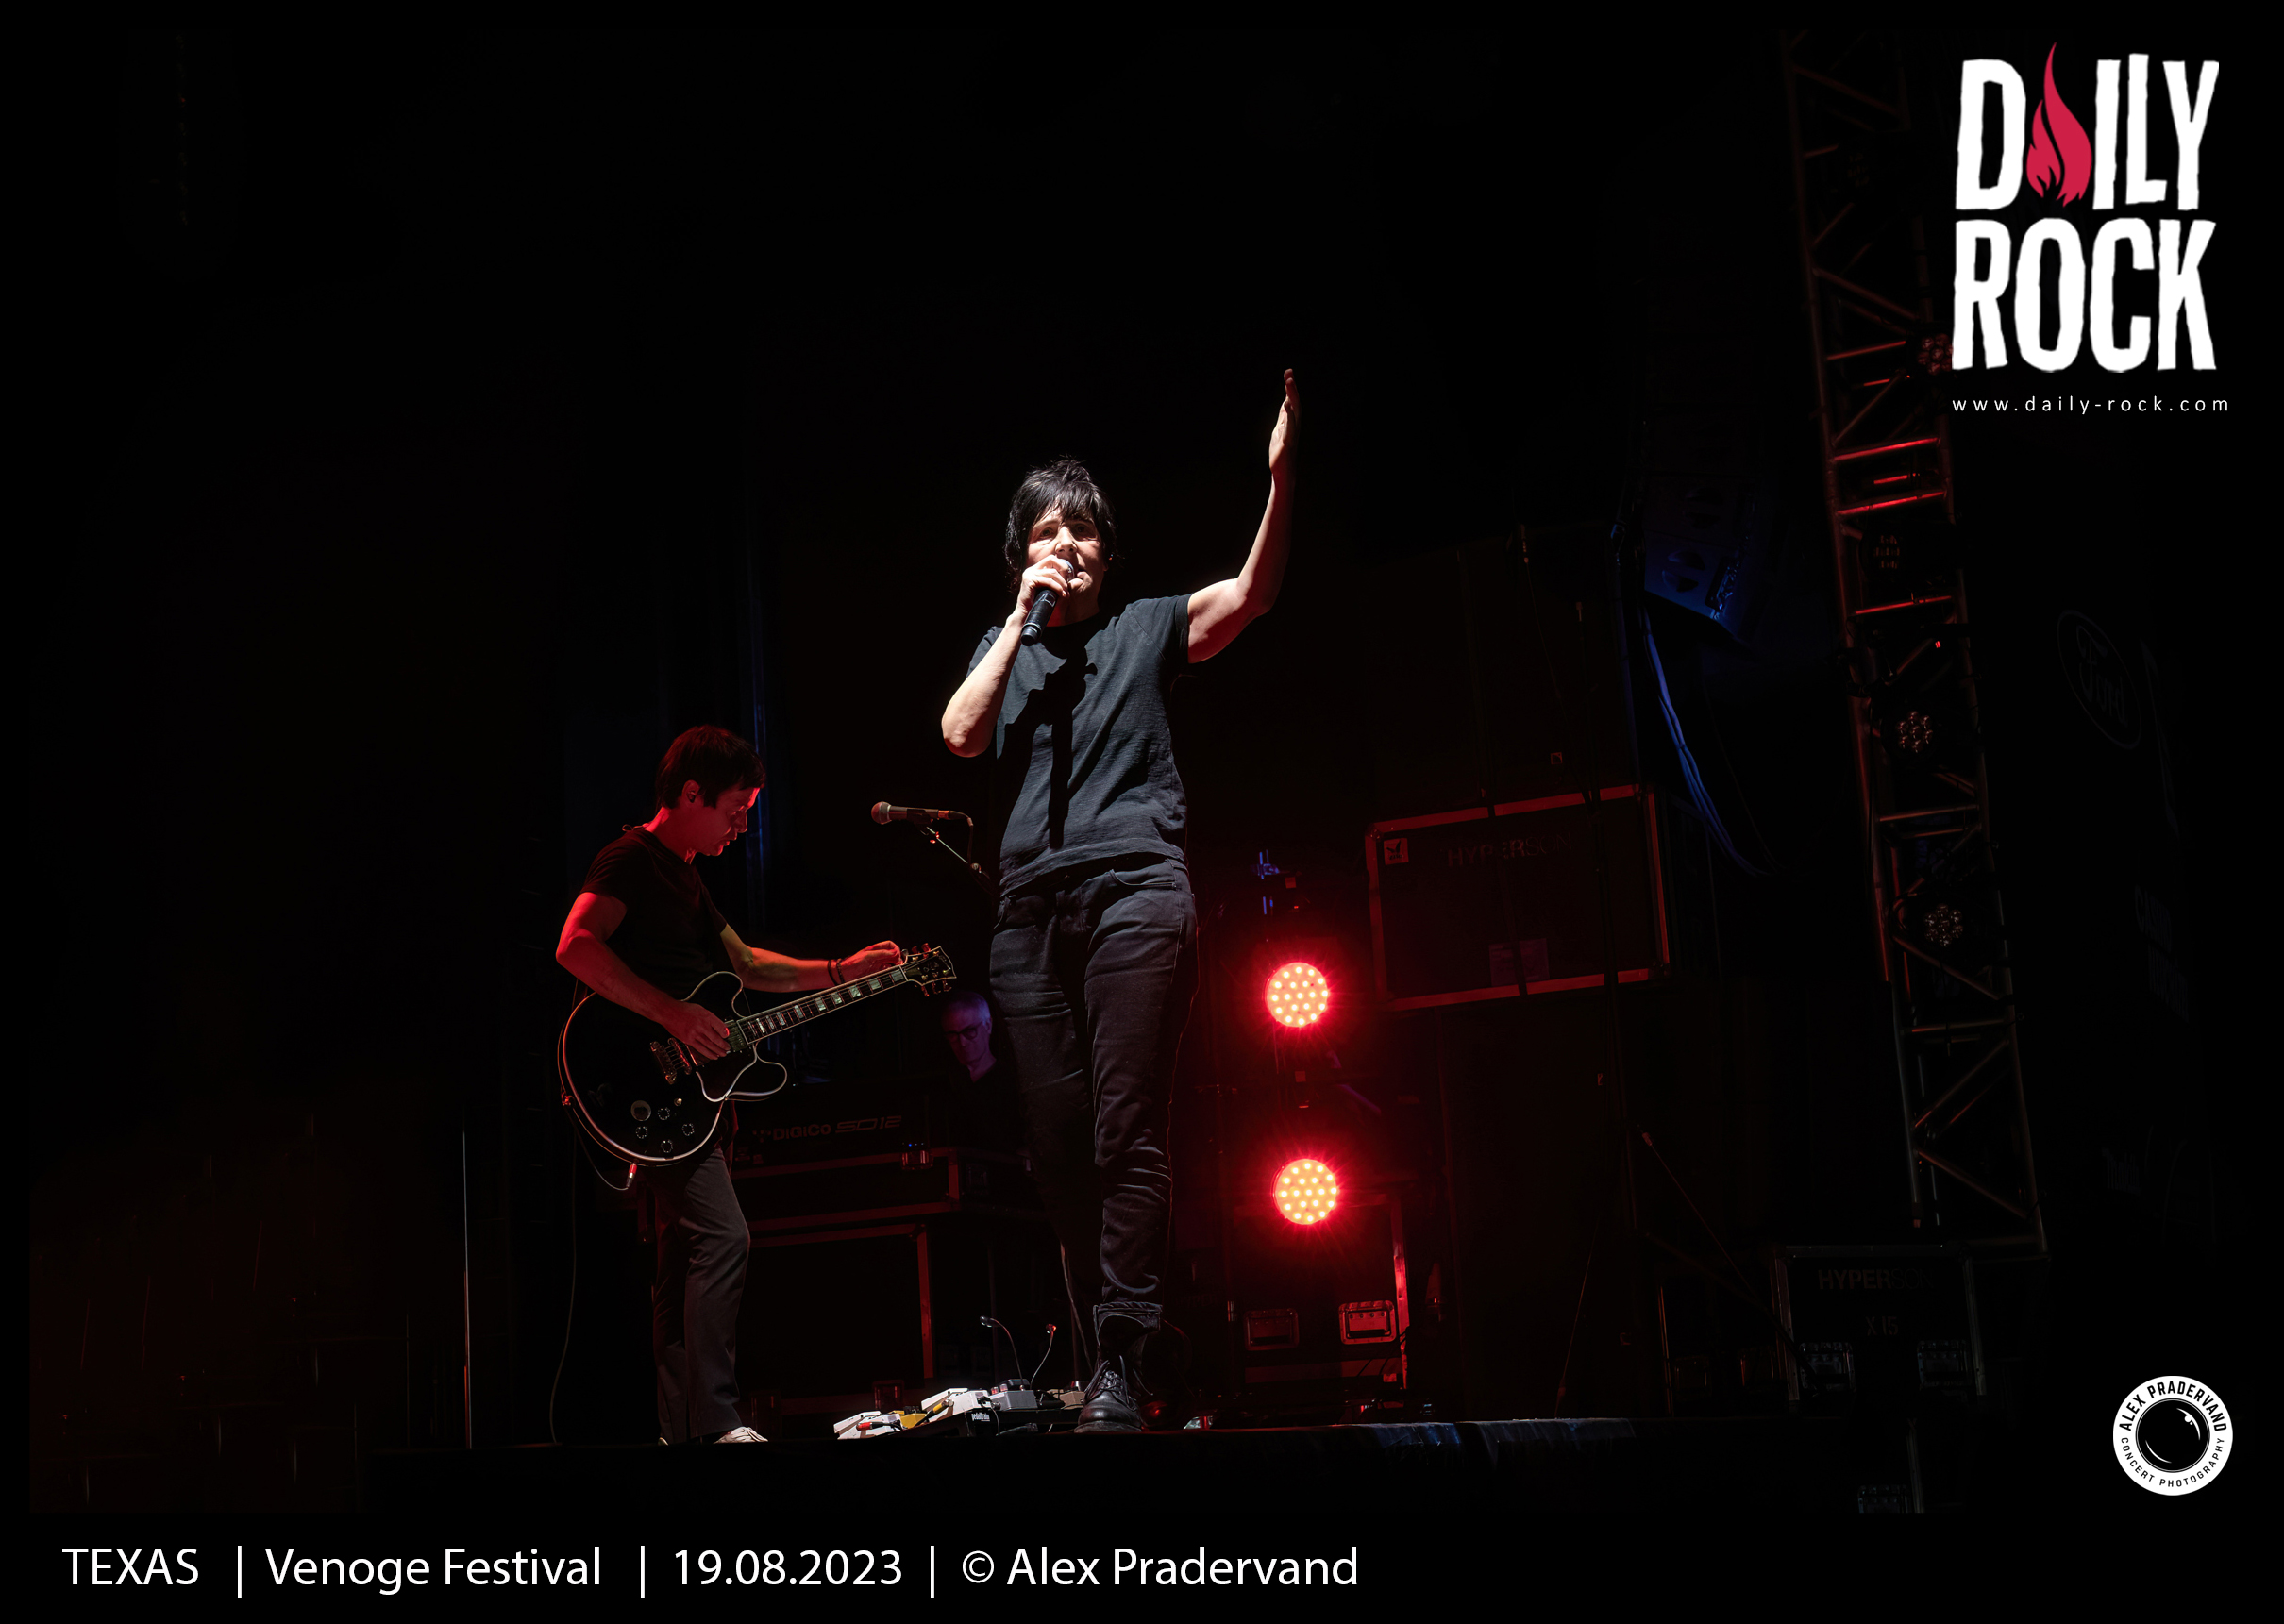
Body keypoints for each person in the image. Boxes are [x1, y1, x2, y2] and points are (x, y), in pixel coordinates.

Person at [940, 370, 1298, 1431]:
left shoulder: (1146, 628)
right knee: (1056, 1148)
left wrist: (1281, 479)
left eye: (1084, 530)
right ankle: (1127, 1351)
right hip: (1027, 913)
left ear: (1108, 549)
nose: (1068, 544)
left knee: (1122, 1130)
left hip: (1135, 888)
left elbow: (1252, 596)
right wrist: (1019, 622)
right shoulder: (1004, 650)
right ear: (1022, 553)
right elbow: (959, 733)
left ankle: (1120, 1363)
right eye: (1048, 531)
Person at [555, 725, 899, 1445]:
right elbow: (575, 945)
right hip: (640, 1082)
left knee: (682, 1258)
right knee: (724, 1236)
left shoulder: (685, 876)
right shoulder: (629, 860)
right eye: (735, 809)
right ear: (692, 794)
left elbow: (748, 966)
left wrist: (843, 969)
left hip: (692, 1100)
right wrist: (673, 1014)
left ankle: (679, 1430)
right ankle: (716, 1420)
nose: (743, 826)